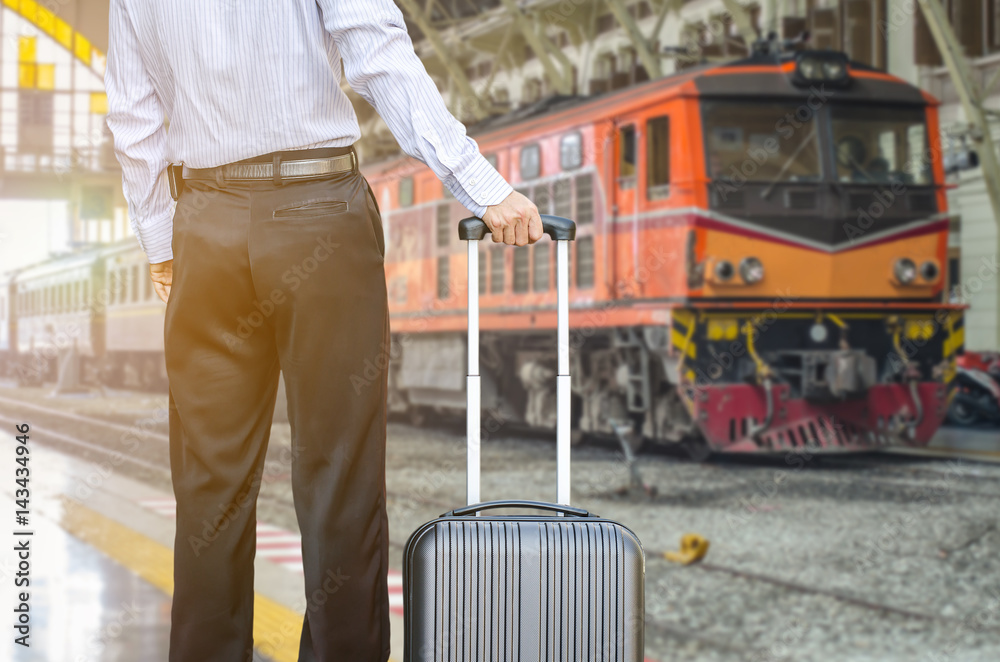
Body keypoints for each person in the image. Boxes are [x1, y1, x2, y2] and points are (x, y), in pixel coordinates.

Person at [105, 1, 542, 660]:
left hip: (207, 229)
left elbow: (133, 113)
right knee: (339, 474)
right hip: (319, 217)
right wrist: (480, 185)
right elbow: (379, 56)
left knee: (209, 484)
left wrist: (163, 239)